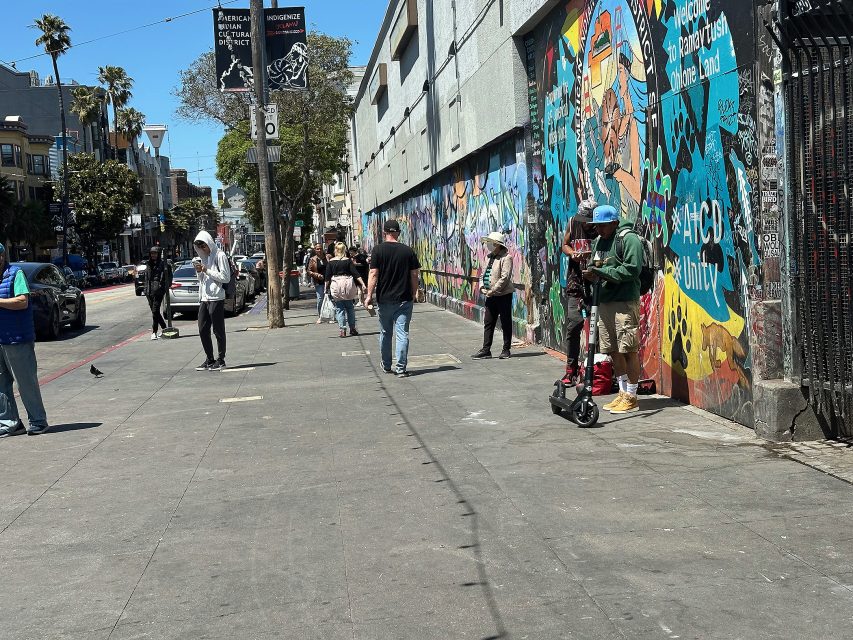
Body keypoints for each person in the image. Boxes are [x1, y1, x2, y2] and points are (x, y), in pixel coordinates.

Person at [584, 205, 643, 413]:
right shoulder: (600, 241)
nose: (598, 230)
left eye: (603, 225)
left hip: (624, 301)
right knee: (613, 350)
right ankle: (623, 391)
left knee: (628, 349)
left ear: (614, 222)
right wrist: (591, 271)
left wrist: (603, 272)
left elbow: (633, 269)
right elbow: (595, 264)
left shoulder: (628, 239)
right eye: (596, 226)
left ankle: (632, 396)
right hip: (604, 301)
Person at [0, 243, 49, 436]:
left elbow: (22, 301)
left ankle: (38, 421)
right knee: (2, 384)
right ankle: (10, 423)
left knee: (25, 382)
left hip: (17, 338)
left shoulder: (15, 274)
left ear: (2, 256)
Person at [364, 219, 421, 377]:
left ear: (384, 233)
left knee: (385, 332)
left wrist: (369, 296)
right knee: (402, 334)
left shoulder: (378, 250)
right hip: (404, 298)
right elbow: (414, 274)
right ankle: (401, 368)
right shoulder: (408, 251)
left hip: (385, 299)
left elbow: (373, 273)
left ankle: (387, 364)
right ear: (398, 233)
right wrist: (414, 292)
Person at [560, 199, 599, 384]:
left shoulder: (602, 227)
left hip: (597, 283)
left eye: (588, 220)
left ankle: (598, 368)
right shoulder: (573, 222)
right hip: (576, 283)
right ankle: (571, 369)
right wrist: (572, 253)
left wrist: (591, 256)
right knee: (574, 325)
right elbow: (565, 244)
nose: (585, 223)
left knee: (598, 329)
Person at [471, 232, 515, 360]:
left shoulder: (506, 258)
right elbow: (482, 274)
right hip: (490, 295)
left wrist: (493, 290)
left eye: (491, 242)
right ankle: (486, 350)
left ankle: (506, 349)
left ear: (497, 244)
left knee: (505, 322)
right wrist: (482, 287)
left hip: (503, 295)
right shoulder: (488, 257)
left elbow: (505, 277)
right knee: (488, 322)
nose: (488, 245)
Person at [192, 231, 231, 371]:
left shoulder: (220, 255)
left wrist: (207, 270)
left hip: (216, 297)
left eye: (204, 246)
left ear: (209, 243)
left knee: (218, 330)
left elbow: (226, 277)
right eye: (200, 247)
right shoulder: (204, 257)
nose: (203, 249)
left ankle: (221, 359)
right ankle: (209, 358)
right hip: (205, 297)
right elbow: (202, 280)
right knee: (202, 329)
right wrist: (199, 271)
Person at [326, 242, 367, 338]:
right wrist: (363, 284)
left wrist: (326, 288)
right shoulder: (348, 261)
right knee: (350, 307)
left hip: (336, 284)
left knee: (339, 308)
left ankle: (342, 330)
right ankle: (352, 328)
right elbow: (355, 273)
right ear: (344, 250)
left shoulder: (331, 262)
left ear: (335, 250)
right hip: (348, 284)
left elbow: (327, 277)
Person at [144, 246, 172, 341]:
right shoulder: (148, 264)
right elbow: (146, 278)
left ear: (159, 254)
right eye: (152, 253)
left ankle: (154, 331)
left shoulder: (164, 264)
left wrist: (163, 287)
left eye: (155, 253)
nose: (153, 255)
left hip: (158, 291)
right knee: (154, 312)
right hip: (149, 291)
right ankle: (164, 328)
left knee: (155, 311)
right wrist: (145, 289)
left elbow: (169, 277)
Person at [307, 243, 330, 324]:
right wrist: (317, 275)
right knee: (320, 299)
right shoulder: (312, 259)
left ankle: (331, 316)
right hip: (319, 282)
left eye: (320, 248)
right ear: (315, 250)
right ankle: (320, 316)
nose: (319, 250)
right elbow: (309, 271)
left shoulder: (328, 257)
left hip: (329, 281)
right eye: (317, 249)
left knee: (330, 298)